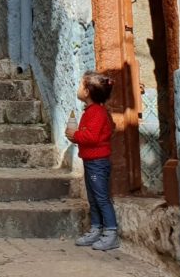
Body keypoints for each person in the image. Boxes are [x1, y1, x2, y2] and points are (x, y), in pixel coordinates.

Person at [65, 71, 119, 251]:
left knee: (102, 198)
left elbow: (92, 136)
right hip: (91, 162)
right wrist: (77, 137)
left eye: (81, 85)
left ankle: (111, 233)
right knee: (93, 198)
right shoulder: (92, 111)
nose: (78, 89)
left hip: (98, 162)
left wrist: (76, 135)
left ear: (87, 91)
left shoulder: (97, 111)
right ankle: (96, 229)